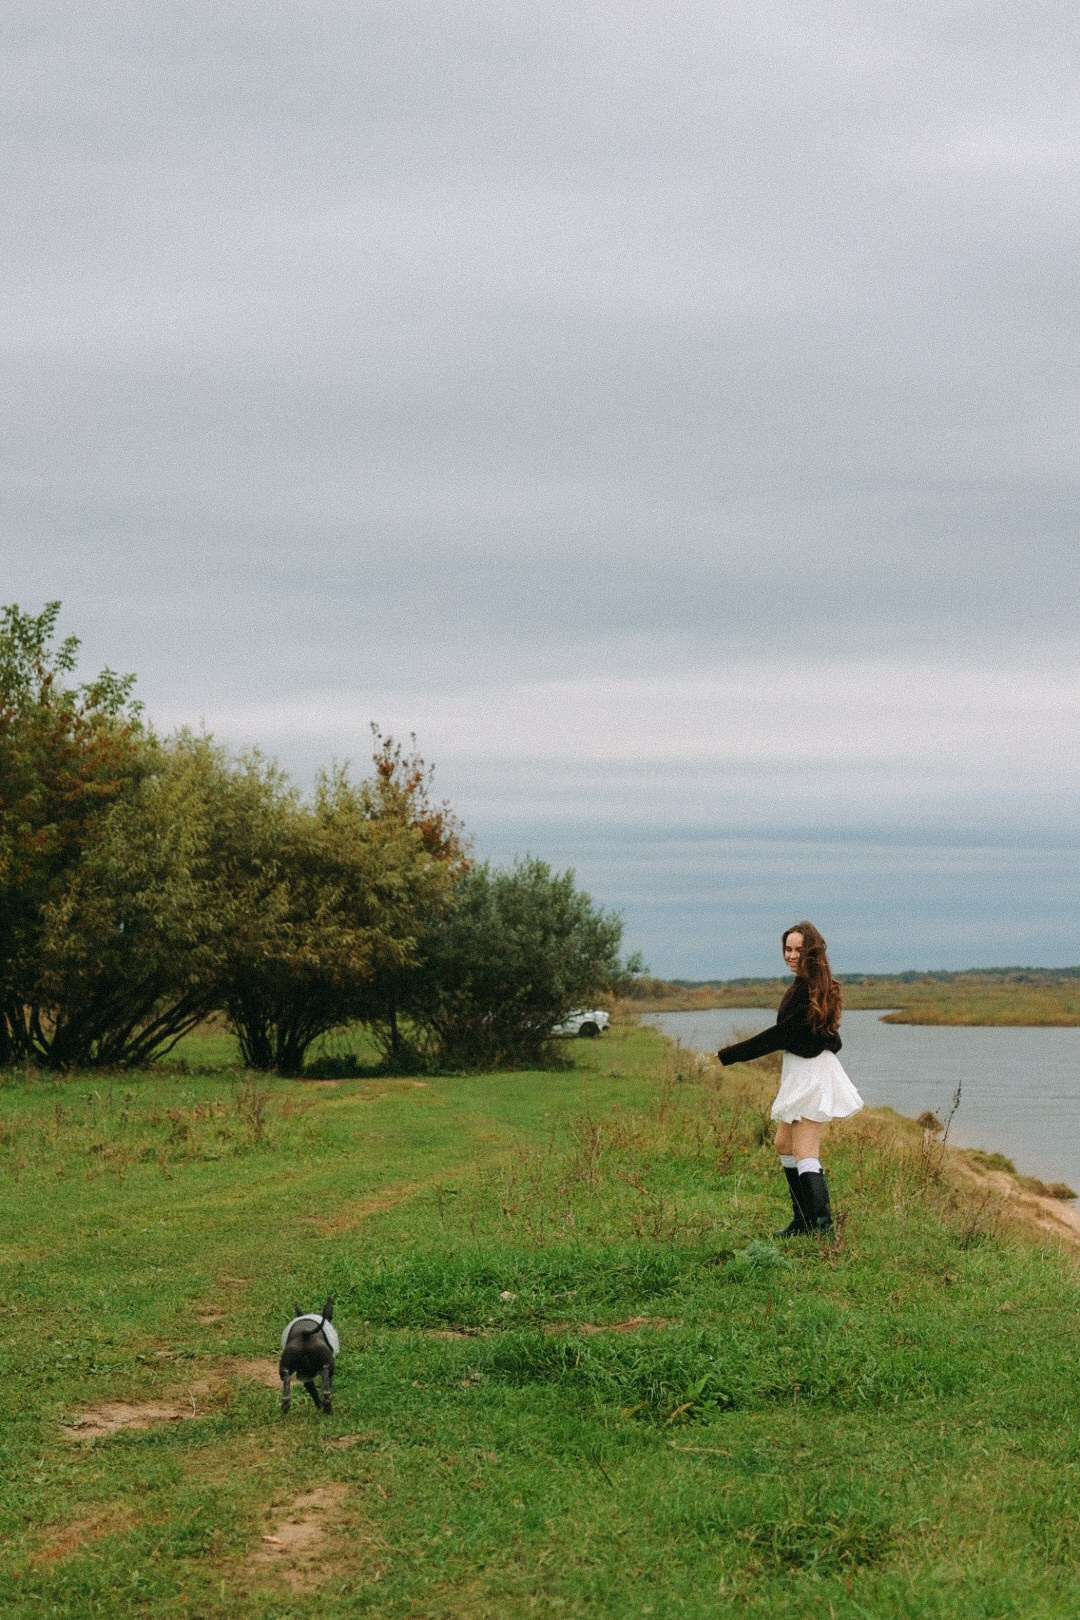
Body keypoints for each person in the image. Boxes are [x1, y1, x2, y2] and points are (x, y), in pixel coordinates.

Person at [716, 921, 862, 1236]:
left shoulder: (807, 990)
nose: (792, 955)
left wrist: (728, 1055)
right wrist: (825, 1042)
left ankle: (821, 1226)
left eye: (799, 950)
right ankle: (803, 1220)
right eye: (788, 949)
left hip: (810, 1075)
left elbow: (778, 1036)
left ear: (812, 953)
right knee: (784, 1143)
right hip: (800, 1071)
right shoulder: (804, 986)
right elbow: (831, 1038)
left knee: (805, 1150)